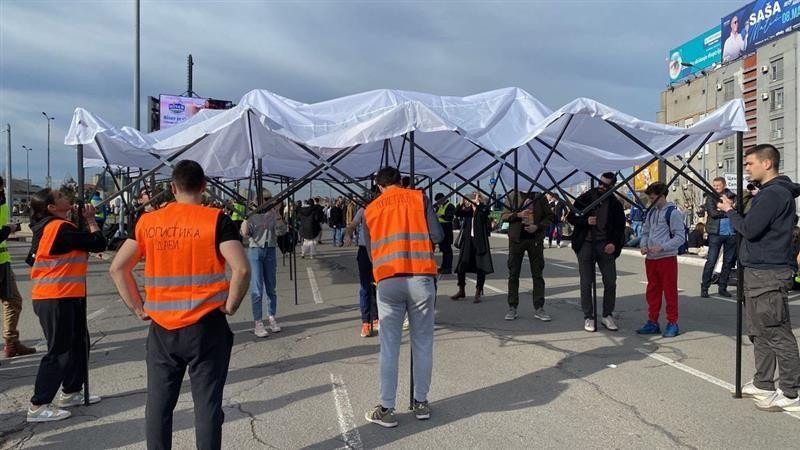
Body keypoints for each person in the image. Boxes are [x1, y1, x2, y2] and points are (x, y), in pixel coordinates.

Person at [109, 160, 250, 449]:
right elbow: (242, 269)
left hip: (162, 328)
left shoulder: (148, 222)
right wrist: (231, 305)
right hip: (206, 325)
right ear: (204, 186)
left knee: (159, 406)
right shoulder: (216, 220)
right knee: (207, 406)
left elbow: (118, 268)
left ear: (172, 187)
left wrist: (138, 308)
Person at [718, 144, 800, 412]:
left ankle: (791, 392)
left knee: (776, 331)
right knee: (759, 331)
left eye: (750, 163)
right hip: (757, 271)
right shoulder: (770, 193)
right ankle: (763, 381)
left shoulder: (773, 194)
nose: (746, 168)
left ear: (767, 164)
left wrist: (730, 211)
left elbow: (750, 230)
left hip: (768, 272)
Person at [362, 167, 443, 428]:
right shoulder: (420, 198)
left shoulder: (371, 209)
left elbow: (370, 251)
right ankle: (420, 402)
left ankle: (386, 408)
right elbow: (438, 236)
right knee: (422, 342)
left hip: (388, 280)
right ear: (401, 182)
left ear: (379, 187)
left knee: (389, 347)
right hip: (420, 277)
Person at [26, 188, 106, 422]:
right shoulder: (58, 228)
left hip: (66, 295)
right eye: (61, 196)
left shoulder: (53, 228)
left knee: (79, 344)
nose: (67, 198)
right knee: (59, 351)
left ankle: (71, 391)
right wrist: (91, 220)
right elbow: (98, 243)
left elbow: (31, 258)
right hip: (55, 296)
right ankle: (38, 404)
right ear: (51, 207)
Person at [567, 173, 626, 332]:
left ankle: (607, 315)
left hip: (605, 245)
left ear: (612, 187)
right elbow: (571, 217)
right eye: (600, 183)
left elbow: (620, 228)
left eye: (606, 185)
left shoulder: (615, 203)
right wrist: (585, 221)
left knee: (610, 281)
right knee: (586, 282)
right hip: (586, 243)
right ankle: (588, 316)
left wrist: (614, 244)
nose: (602, 187)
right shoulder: (586, 197)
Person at [637, 182, 686, 338]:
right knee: (652, 291)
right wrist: (644, 245)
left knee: (670, 291)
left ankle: (672, 323)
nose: (651, 201)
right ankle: (653, 321)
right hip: (651, 258)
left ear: (662, 196)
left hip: (666, 258)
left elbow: (680, 237)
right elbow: (645, 233)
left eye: (652, 198)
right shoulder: (652, 213)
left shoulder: (673, 213)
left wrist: (663, 247)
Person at [501, 189, 554, 321]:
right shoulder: (512, 195)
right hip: (516, 240)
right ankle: (512, 307)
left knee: (537, 275)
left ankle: (539, 308)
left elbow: (550, 217)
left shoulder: (540, 196)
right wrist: (517, 215)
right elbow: (504, 215)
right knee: (513, 274)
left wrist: (538, 226)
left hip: (535, 239)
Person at [241, 190, 287, 338]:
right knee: (257, 288)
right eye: (265, 199)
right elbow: (245, 233)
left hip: (270, 250)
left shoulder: (274, 214)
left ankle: (272, 316)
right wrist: (245, 221)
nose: (269, 201)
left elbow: (281, 232)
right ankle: (258, 322)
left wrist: (278, 214)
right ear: (258, 200)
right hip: (255, 250)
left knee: (271, 286)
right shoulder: (252, 214)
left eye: (270, 199)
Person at [0, 176, 36, 358]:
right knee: (12, 301)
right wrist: (9, 229)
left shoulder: (2, 203)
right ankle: (11, 342)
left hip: (2, 262)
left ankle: (11, 342)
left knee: (13, 301)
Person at [344, 192, 379, 338]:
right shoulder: (363, 210)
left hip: (381, 251)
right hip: (365, 251)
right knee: (365, 287)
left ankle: (377, 318)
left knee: (380, 287)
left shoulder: (386, 209)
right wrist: (348, 234)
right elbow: (352, 225)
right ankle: (366, 322)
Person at [450, 192, 494, 303]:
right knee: (461, 266)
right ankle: (461, 289)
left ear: (480, 199)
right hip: (468, 241)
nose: (472, 200)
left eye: (475, 197)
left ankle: (478, 292)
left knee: (481, 267)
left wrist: (477, 204)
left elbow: (485, 213)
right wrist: (461, 203)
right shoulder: (468, 210)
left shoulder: (483, 208)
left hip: (480, 241)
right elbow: (457, 213)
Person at [701, 177, 737, 298]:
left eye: (718, 185)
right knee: (711, 261)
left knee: (728, 262)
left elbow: (737, 211)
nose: (716, 187)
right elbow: (713, 213)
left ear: (724, 185)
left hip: (731, 233)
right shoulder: (711, 197)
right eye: (714, 185)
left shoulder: (732, 196)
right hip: (715, 233)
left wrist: (723, 209)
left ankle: (723, 287)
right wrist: (729, 210)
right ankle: (705, 288)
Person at [434, 193, 455, 274]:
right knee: (443, 249)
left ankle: (448, 268)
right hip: (441, 229)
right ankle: (443, 267)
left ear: (442, 199)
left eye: (438, 201)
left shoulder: (450, 206)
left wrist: (440, 215)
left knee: (447, 250)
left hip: (447, 229)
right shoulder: (440, 207)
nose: (438, 203)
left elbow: (449, 217)